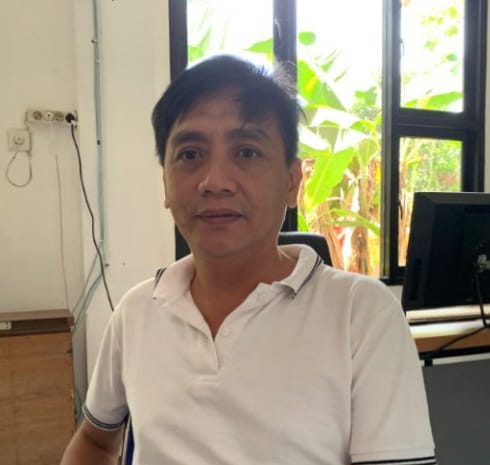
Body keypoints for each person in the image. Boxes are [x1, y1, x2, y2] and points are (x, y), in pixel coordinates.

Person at [60, 55, 436, 465]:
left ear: (292, 181)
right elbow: (95, 442)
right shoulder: (136, 312)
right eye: (190, 154)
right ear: (165, 182)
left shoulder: (360, 314)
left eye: (247, 152)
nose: (215, 182)